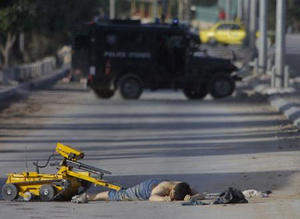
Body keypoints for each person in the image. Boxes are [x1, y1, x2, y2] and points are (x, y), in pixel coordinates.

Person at [71, 179, 203, 203]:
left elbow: (201, 194)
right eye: (172, 196)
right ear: (171, 190)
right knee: (119, 195)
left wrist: (193, 198)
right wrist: (164, 199)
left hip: (153, 184)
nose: (171, 197)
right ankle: (88, 196)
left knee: (123, 192)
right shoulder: (163, 188)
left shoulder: (183, 187)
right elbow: (152, 197)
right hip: (145, 189)